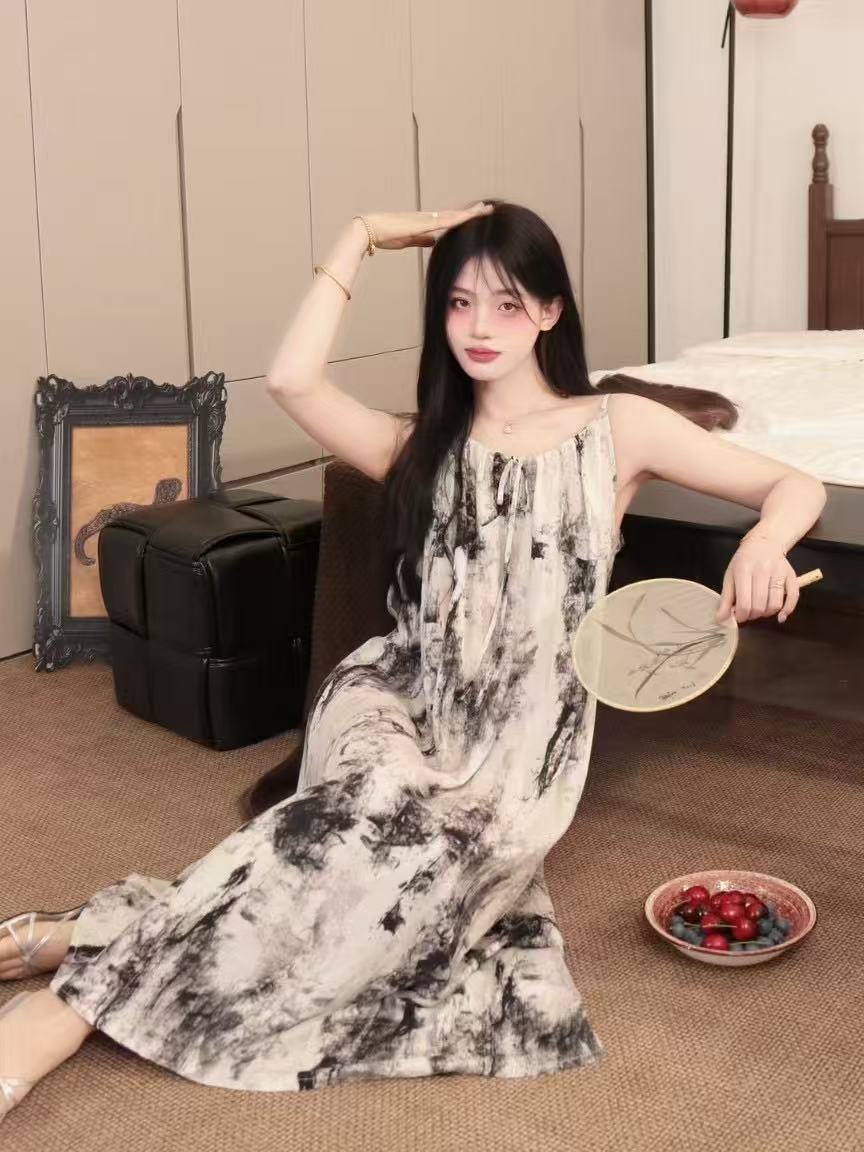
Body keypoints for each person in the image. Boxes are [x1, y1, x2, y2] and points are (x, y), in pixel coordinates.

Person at [0, 200, 826, 1119]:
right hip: (394, 692)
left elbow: (793, 484)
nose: (479, 327)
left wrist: (766, 545)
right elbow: (292, 379)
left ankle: (95, 936)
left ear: (550, 311)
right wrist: (361, 237)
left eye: (507, 304)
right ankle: (58, 1014)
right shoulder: (416, 443)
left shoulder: (618, 426)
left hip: (520, 749)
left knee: (399, 859)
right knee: (366, 808)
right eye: (459, 303)